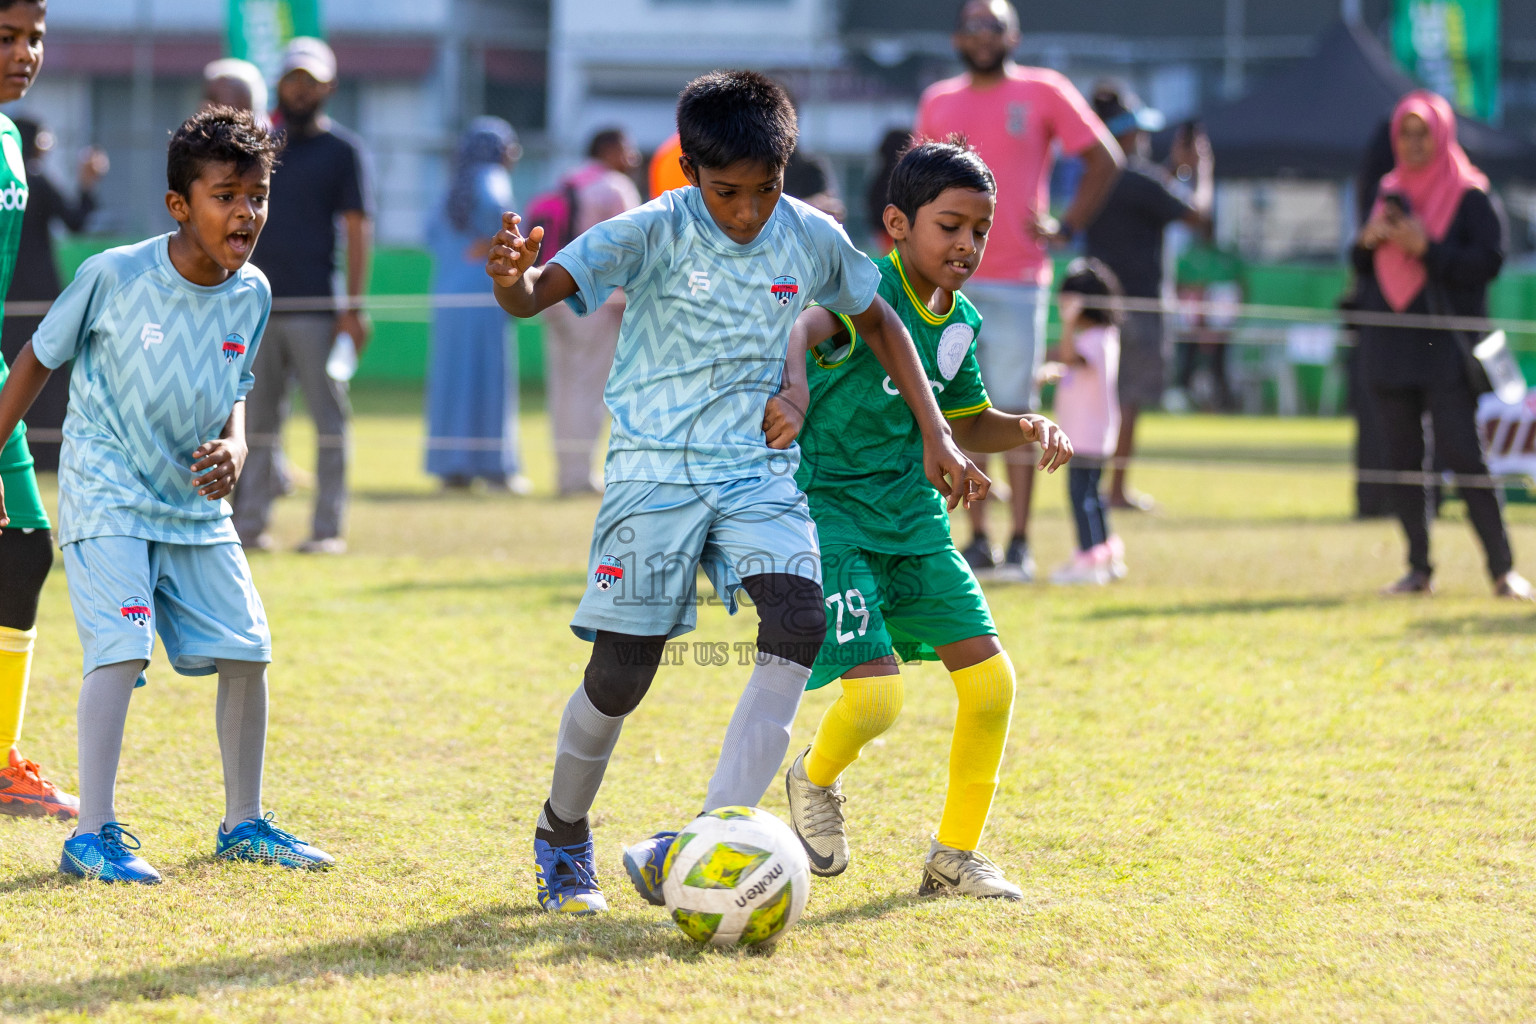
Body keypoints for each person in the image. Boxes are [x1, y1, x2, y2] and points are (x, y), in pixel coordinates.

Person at [485, 70, 985, 915]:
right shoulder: (646, 231)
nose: (748, 211)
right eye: (727, 192)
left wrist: (938, 431)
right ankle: (563, 832)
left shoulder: (811, 237)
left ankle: (702, 838)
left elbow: (880, 320)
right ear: (687, 170)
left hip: (757, 473)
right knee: (621, 674)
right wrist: (510, 278)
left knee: (797, 617)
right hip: (653, 472)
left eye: (766, 189)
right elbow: (534, 297)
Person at [0, 107, 334, 882]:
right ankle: (93, 833)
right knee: (122, 646)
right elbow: (35, 359)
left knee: (249, 650)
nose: (246, 212)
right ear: (180, 206)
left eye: (257, 195)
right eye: (225, 195)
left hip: (192, 502)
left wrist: (239, 442)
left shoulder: (253, 292)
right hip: (106, 491)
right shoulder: (114, 274)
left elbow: (237, 385)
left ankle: (245, 823)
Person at [780, 140, 1071, 899]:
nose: (967, 245)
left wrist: (1027, 426)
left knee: (992, 686)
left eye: (980, 229)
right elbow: (806, 328)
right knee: (877, 698)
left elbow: (965, 420)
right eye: (950, 226)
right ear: (897, 224)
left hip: (915, 522)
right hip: (832, 514)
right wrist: (794, 387)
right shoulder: (863, 290)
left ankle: (953, 860)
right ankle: (810, 780)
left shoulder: (960, 319)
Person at [915, 0, 1121, 580]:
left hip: (1017, 280)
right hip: (949, 281)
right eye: (974, 25)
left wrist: (1067, 225)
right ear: (958, 35)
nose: (983, 35)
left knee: (1018, 411)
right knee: (958, 410)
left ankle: (1022, 541)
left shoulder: (1044, 90)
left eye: (994, 25)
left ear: (1015, 34)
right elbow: (918, 188)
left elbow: (1105, 157)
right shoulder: (938, 100)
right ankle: (978, 538)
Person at [1352, 90, 1531, 600]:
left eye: (1421, 133)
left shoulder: (1471, 195)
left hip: (1445, 349)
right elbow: (1362, 270)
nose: (1411, 144)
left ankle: (1502, 570)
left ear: (1441, 134)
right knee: (1403, 461)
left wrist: (1427, 249)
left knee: (1465, 457)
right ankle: (1418, 570)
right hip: (1389, 345)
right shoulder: (1388, 191)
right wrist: (1367, 241)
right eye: (1404, 134)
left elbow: (1487, 262)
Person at [234, 36, 373, 555]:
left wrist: (354, 308)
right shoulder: (260, 148)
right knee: (256, 421)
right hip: (257, 308)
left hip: (320, 308)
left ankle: (327, 529)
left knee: (329, 423)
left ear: (329, 87)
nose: (299, 89)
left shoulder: (345, 152)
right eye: (292, 78)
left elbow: (359, 228)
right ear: (279, 84)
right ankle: (250, 526)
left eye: (309, 81)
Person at [0, 0, 77, 822]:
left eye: (36, 39)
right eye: (7, 38)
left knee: (22, 549)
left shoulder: (11, 137)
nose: (26, 53)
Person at [1083, 82, 1212, 511]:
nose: (1144, 139)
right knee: (1129, 399)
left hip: (1097, 305)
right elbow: (1198, 215)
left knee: (1100, 398)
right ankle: (1115, 489)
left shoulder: (1097, 178)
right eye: (1138, 131)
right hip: (1138, 305)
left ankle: (1095, 486)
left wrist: (1174, 172)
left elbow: (1156, 199)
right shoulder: (1136, 177)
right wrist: (1201, 170)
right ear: (1125, 132)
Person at [425, 117, 528, 492]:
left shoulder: (450, 187)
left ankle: (452, 466)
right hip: (486, 295)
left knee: (452, 379)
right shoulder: (494, 180)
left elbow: (431, 235)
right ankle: (495, 467)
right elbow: (510, 233)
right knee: (488, 376)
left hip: (448, 298)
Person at [540, 127, 643, 496]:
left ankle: (567, 472)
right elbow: (633, 248)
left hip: (550, 291)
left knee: (563, 387)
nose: (632, 156)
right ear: (609, 149)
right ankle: (579, 477)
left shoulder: (567, 181)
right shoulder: (614, 187)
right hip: (595, 300)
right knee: (589, 388)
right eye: (626, 147)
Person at [1, 117, 106, 473]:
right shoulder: (37, 179)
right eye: (44, 137)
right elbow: (75, 219)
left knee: (9, 372)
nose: (48, 143)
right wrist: (88, 183)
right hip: (41, 295)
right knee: (44, 367)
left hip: (6, 292)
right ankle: (45, 454)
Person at [1040, 258, 1124, 584]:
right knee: (1095, 495)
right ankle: (1105, 552)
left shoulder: (1093, 339)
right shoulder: (1103, 337)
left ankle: (1089, 559)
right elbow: (1072, 366)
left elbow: (1072, 357)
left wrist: (1067, 324)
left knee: (1081, 497)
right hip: (1095, 433)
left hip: (1086, 435)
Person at [202, 57, 268, 125]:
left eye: (238, 96)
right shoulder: (201, 130)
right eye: (215, 97)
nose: (228, 102)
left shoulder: (266, 131)